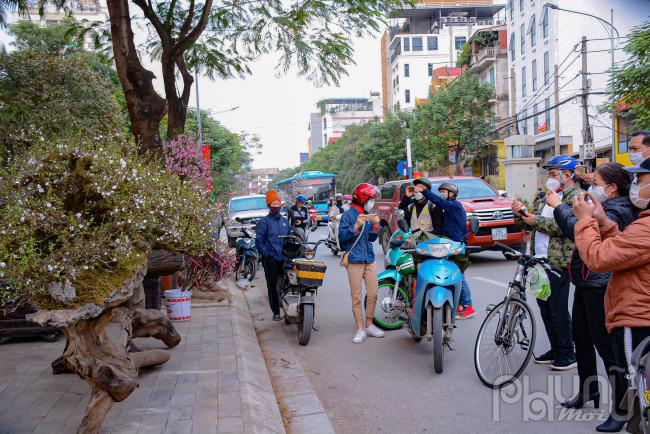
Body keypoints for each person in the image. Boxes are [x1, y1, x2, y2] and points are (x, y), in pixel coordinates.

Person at [549, 162, 635, 431]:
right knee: (582, 339)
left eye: (596, 182)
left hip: (601, 284)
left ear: (611, 187)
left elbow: (580, 229)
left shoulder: (620, 209)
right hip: (586, 281)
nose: (591, 187)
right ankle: (589, 391)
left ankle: (622, 409)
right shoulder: (607, 203)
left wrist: (559, 207)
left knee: (608, 349)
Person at [573, 157, 650, 433]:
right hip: (635, 314)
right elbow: (626, 246)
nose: (636, 185)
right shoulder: (642, 224)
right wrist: (603, 222)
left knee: (639, 386)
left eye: (640, 179)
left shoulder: (646, 227)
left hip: (637, 319)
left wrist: (584, 222)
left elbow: (600, 258)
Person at [512, 155, 580, 371]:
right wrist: (521, 214)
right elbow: (534, 224)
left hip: (558, 262)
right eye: (549, 174)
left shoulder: (575, 197)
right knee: (545, 308)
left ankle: (567, 353)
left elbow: (566, 226)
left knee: (558, 310)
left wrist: (536, 220)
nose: (549, 178)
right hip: (539, 261)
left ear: (567, 175)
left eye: (553, 174)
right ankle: (556, 348)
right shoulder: (547, 198)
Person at [415, 181, 476, 319]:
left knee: (458, 273)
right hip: (448, 244)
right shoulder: (447, 209)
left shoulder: (454, 205)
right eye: (440, 191)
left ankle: (468, 306)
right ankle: (456, 303)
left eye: (444, 192)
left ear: (452, 194)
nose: (441, 194)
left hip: (456, 244)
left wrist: (424, 191)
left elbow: (437, 200)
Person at [338, 183, 385, 343]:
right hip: (354, 260)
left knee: (373, 292)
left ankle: (369, 324)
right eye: (370, 199)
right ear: (363, 198)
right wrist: (356, 225)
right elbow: (342, 238)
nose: (372, 202)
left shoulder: (368, 213)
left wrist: (376, 225)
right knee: (356, 296)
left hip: (369, 259)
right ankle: (360, 329)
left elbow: (371, 238)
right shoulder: (348, 215)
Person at [255, 190, 290, 321]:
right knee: (272, 286)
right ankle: (276, 311)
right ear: (269, 205)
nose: (277, 205)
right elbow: (259, 241)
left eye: (278, 203)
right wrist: (267, 254)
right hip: (271, 258)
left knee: (289, 283)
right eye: (274, 203)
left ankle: (288, 307)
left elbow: (289, 238)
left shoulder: (285, 221)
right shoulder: (264, 222)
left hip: (284, 257)